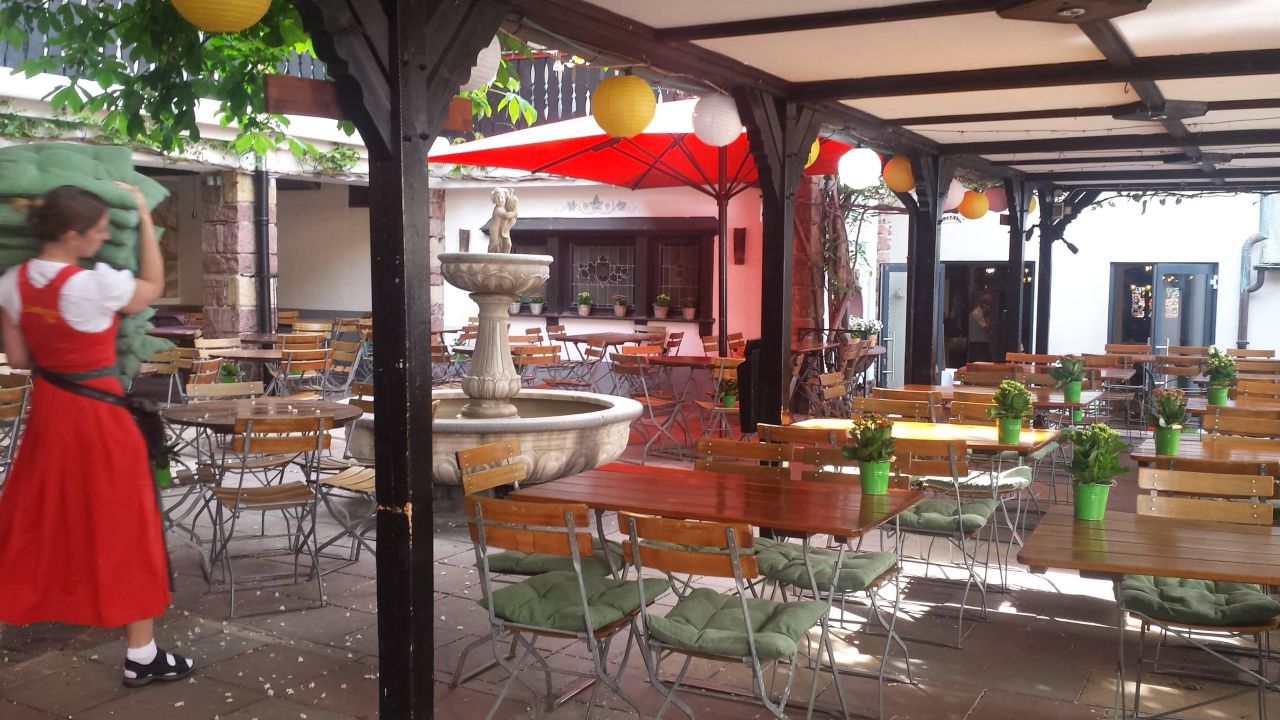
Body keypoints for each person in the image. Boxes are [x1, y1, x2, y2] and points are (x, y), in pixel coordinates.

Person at [0, 184, 194, 687]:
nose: (105, 237)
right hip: (101, 421)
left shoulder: (11, 283)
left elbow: (19, 358)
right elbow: (152, 285)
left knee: (42, 519)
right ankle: (141, 654)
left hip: (50, 418)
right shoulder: (94, 285)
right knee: (126, 527)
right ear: (72, 235)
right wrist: (144, 217)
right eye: (100, 230)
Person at [967, 293, 993, 363]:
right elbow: (986, 328)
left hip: (981, 344)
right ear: (985, 304)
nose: (990, 307)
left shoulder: (979, 314)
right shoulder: (977, 314)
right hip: (978, 345)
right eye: (990, 304)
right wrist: (987, 316)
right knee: (980, 364)